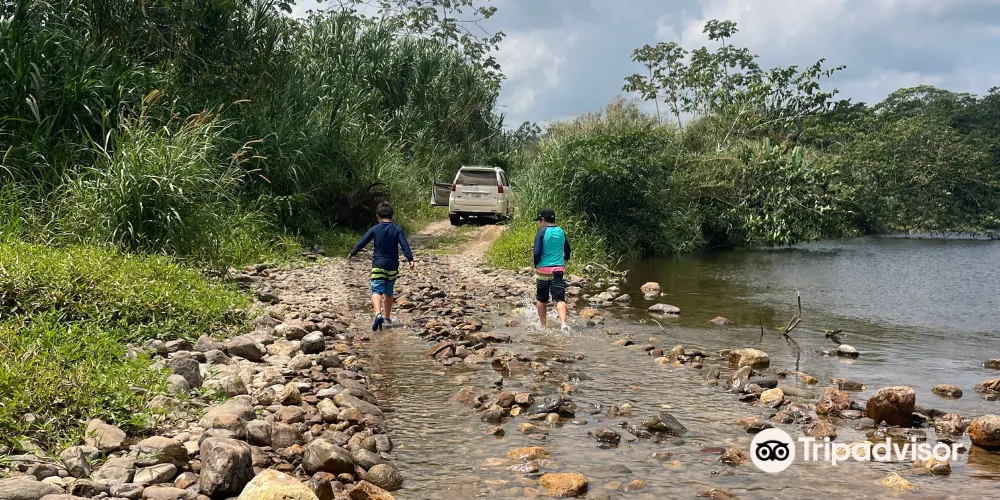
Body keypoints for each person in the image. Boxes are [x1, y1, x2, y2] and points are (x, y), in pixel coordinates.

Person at [348, 202, 414, 331]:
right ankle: (387, 318)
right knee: (389, 291)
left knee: (376, 290)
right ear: (392, 216)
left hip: (378, 264)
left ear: (377, 216)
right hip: (392, 266)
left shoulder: (375, 229)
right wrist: (410, 259)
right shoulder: (397, 229)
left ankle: (378, 314)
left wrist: (353, 252)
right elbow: (405, 245)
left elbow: (363, 241)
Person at [533, 207, 571, 330]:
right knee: (559, 299)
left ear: (542, 219)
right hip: (559, 270)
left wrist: (536, 264)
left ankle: (543, 325)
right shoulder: (561, 231)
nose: (539, 223)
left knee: (542, 299)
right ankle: (563, 323)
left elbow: (537, 252)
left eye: (539, 221)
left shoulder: (541, 233)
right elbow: (567, 249)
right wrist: (566, 258)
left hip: (543, 270)